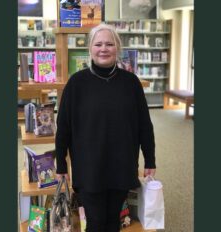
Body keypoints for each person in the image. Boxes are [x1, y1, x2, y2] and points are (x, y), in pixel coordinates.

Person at [55, 23, 156, 232]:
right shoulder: (76, 84)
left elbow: (144, 125)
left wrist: (150, 159)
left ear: (117, 48)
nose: (104, 49)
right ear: (90, 48)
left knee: (113, 221)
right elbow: (63, 128)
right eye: (98, 44)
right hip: (89, 167)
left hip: (122, 165)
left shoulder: (131, 83)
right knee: (95, 222)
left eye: (109, 44)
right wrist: (61, 166)